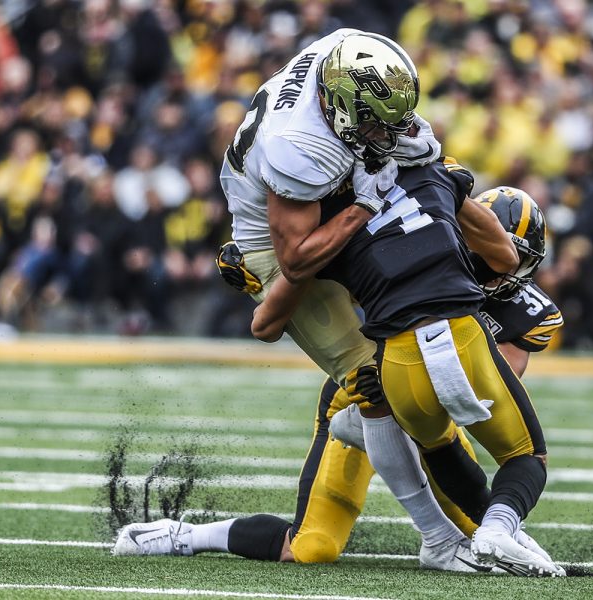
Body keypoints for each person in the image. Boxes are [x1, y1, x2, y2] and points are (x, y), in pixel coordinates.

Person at [113, 180, 565, 578]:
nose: (490, 265)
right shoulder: (420, 252)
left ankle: (447, 538)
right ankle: (183, 535)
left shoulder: (529, 312)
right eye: (480, 249)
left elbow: (480, 395)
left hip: (430, 408)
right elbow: (335, 297)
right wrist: (267, 279)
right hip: (360, 393)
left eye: (506, 259)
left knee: (482, 522)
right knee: (311, 548)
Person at [201, 28, 476, 570]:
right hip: (277, 240)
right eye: (376, 121)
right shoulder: (299, 147)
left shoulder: (352, 52)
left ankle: (480, 523)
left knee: (419, 358)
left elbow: (396, 139)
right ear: (344, 109)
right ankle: (442, 536)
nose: (388, 130)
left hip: (335, 190)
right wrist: (362, 208)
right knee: (376, 380)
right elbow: (298, 259)